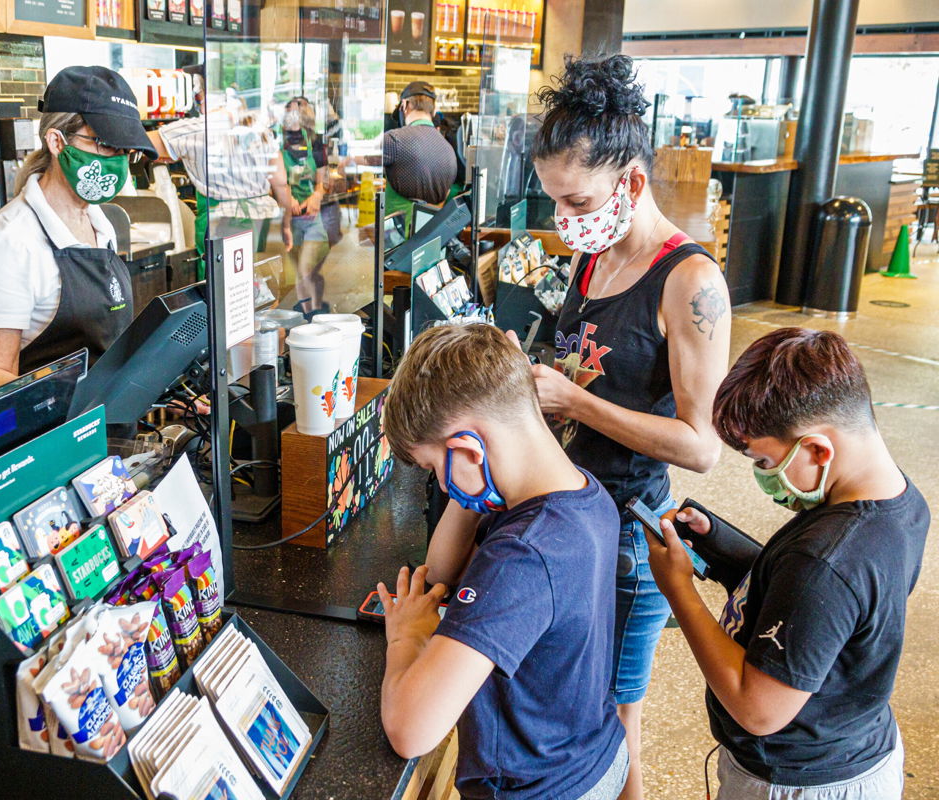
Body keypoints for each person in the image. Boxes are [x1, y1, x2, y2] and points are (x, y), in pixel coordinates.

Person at [529, 54, 732, 799]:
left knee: (618, 733)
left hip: (627, 537)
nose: (566, 220)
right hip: (569, 518)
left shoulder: (689, 281)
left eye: (577, 200)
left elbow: (701, 446)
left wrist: (575, 404)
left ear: (632, 183)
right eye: (554, 202)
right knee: (573, 714)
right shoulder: (591, 256)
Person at [646, 328, 928, 800]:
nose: (763, 476)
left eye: (763, 461)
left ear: (818, 450)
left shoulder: (825, 561)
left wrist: (679, 590)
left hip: (798, 781)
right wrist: (718, 542)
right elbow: (807, 604)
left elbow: (757, 709)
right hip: (852, 748)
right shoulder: (897, 499)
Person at [378, 323, 628, 799]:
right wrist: (467, 482)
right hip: (588, 756)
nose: (443, 486)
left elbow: (410, 730)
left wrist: (408, 635)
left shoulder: (524, 557)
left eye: (435, 470)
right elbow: (441, 572)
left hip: (540, 788)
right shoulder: (580, 491)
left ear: (468, 449)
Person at [0, 66, 157, 393]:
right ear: (57, 141)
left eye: (125, 150)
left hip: (113, 423)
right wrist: (64, 421)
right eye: (106, 145)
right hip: (57, 434)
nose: (119, 161)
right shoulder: (8, 242)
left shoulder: (101, 222)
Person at [147, 78, 295, 279]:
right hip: (265, 221)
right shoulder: (260, 130)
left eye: (197, 97)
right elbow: (280, 183)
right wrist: (286, 224)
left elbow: (140, 143)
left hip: (223, 221)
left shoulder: (198, 129)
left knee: (222, 291)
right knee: (257, 286)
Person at [355, 81, 457, 232]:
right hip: (433, 235)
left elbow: (360, 162)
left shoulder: (394, 139)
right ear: (434, 111)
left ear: (405, 105)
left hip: (398, 237)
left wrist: (346, 162)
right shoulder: (447, 148)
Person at [280, 96, 332, 314]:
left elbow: (324, 180)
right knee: (293, 276)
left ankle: (314, 314)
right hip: (285, 222)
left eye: (300, 105)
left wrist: (317, 195)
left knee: (306, 269)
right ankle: (306, 316)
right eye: (290, 106)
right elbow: (269, 180)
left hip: (311, 220)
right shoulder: (275, 140)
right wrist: (285, 197)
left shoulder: (316, 141)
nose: (295, 110)